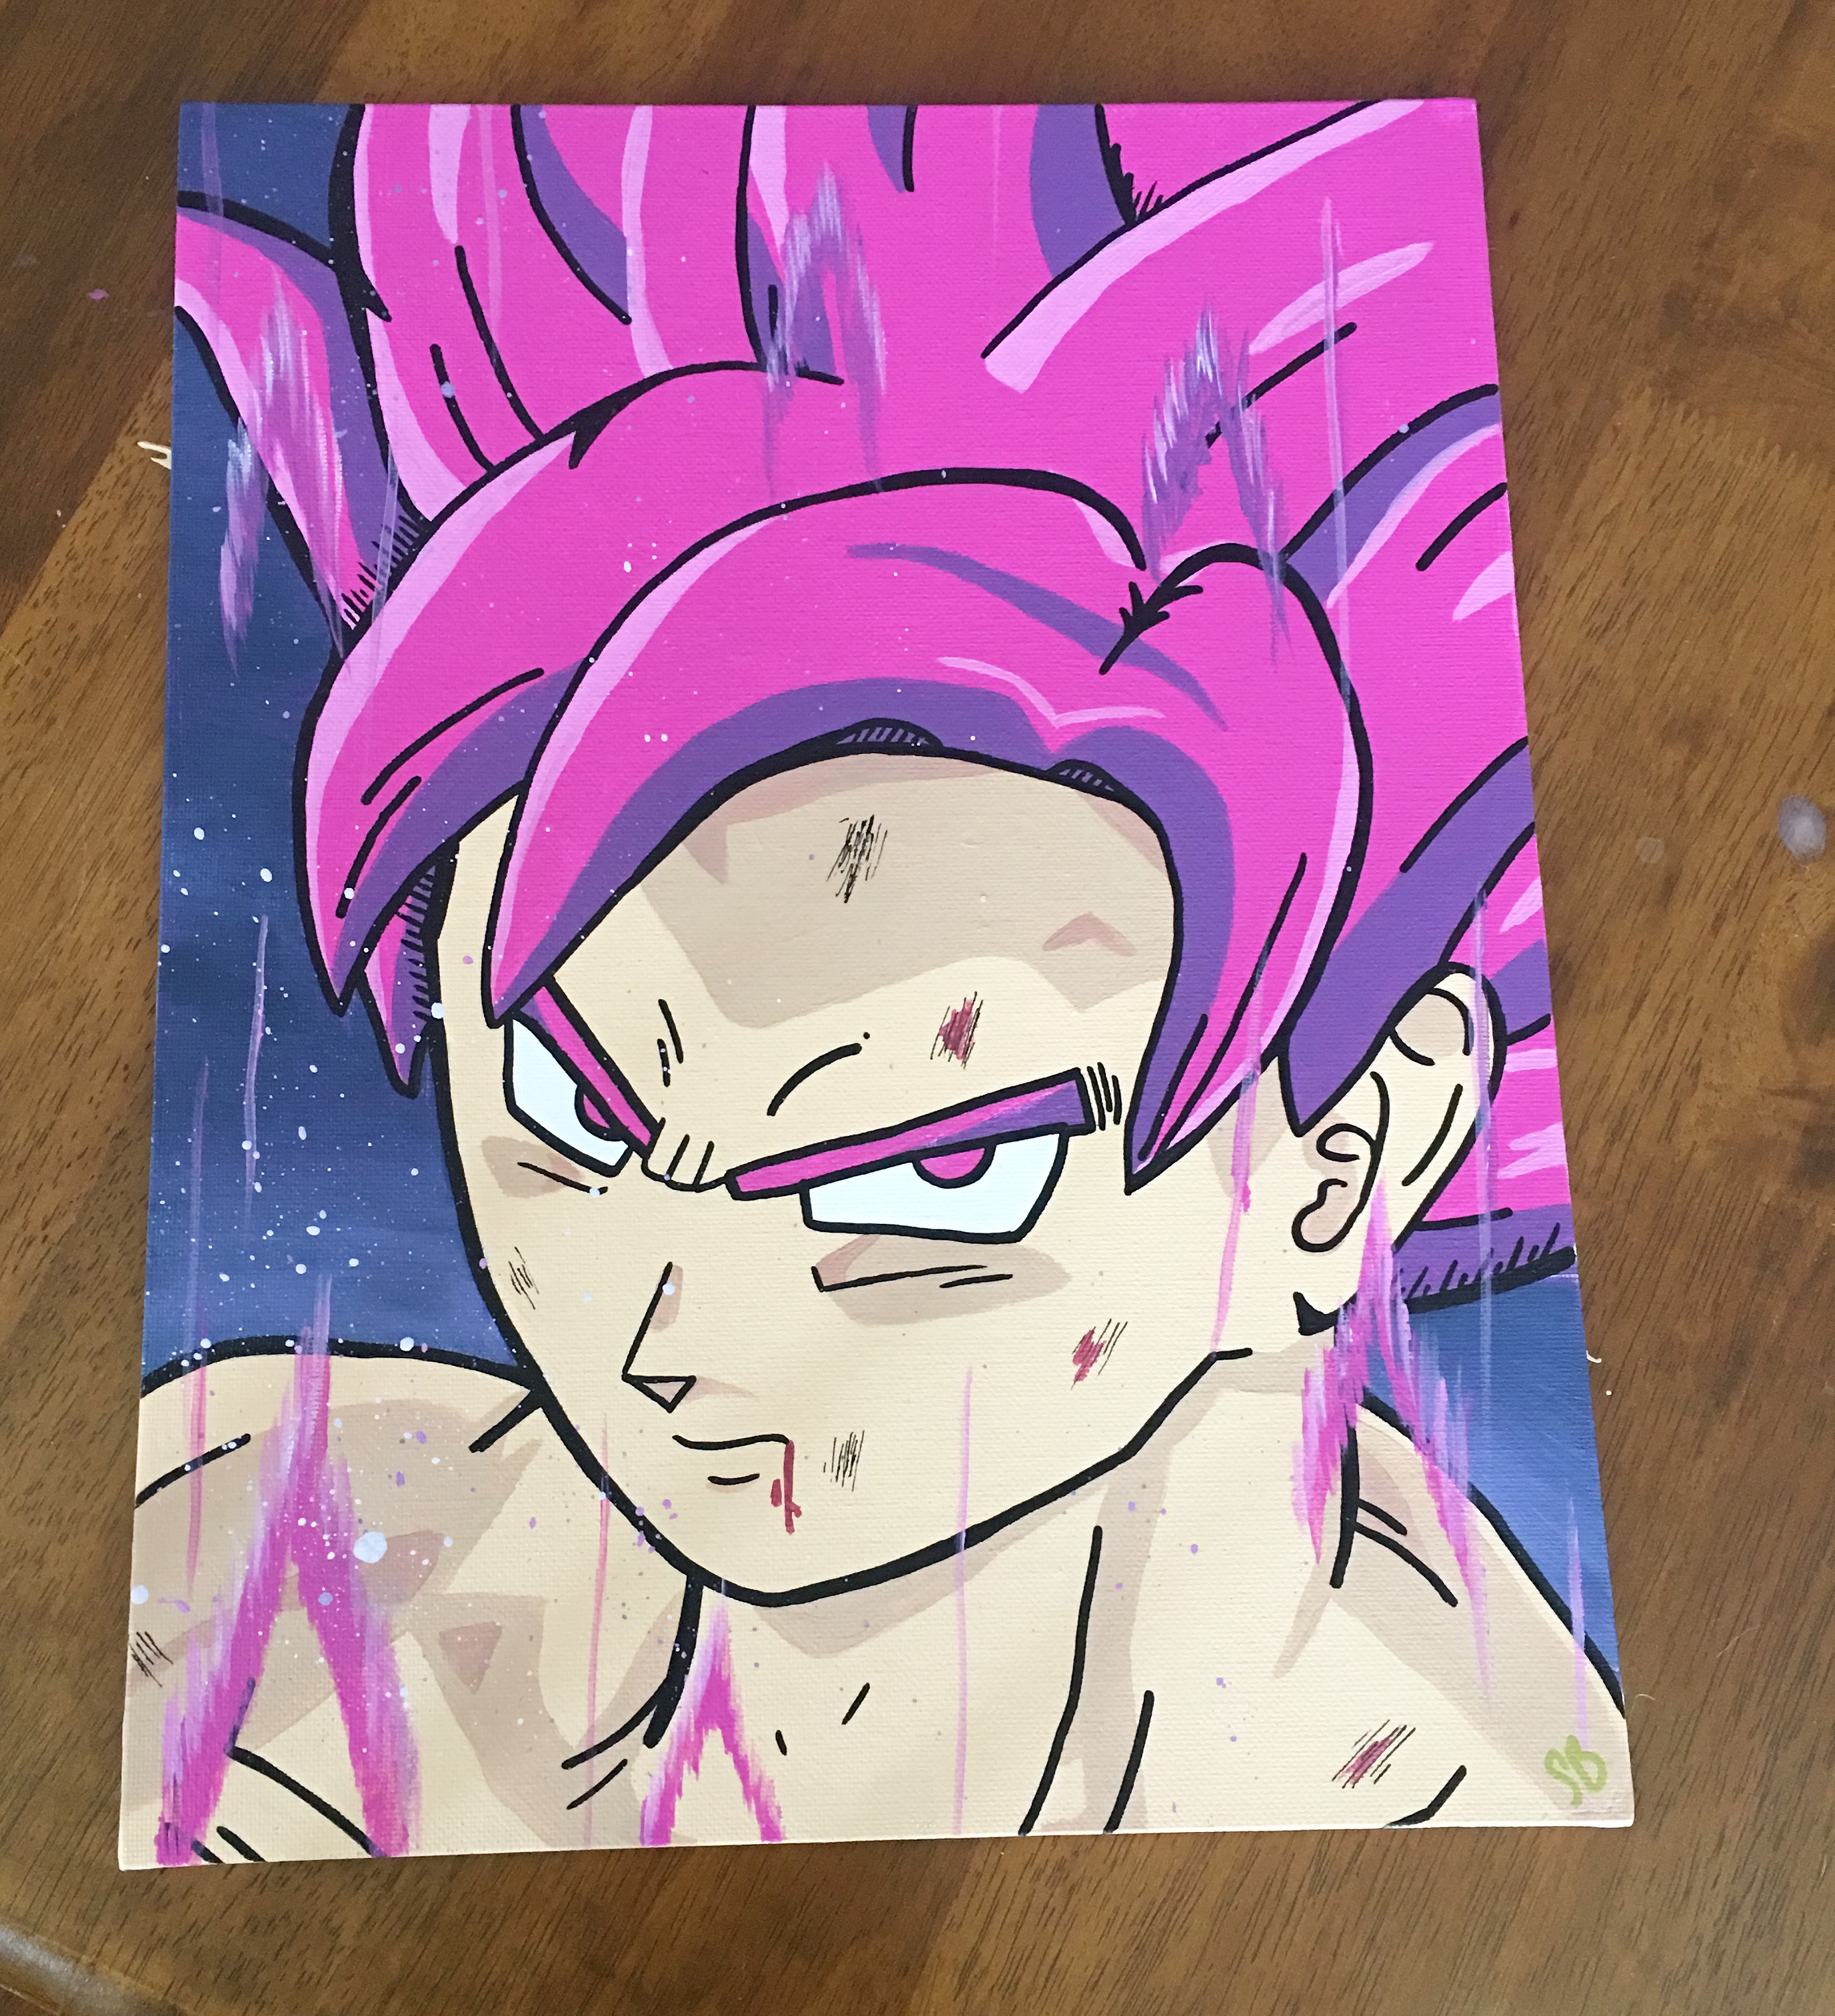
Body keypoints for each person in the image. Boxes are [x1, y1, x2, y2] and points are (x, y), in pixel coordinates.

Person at [123, 99, 1628, 1865]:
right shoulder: (236, 1519)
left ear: (1346, 1159)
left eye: (939, 1169)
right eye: (567, 1099)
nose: (661, 1327)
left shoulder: (1446, 1826)